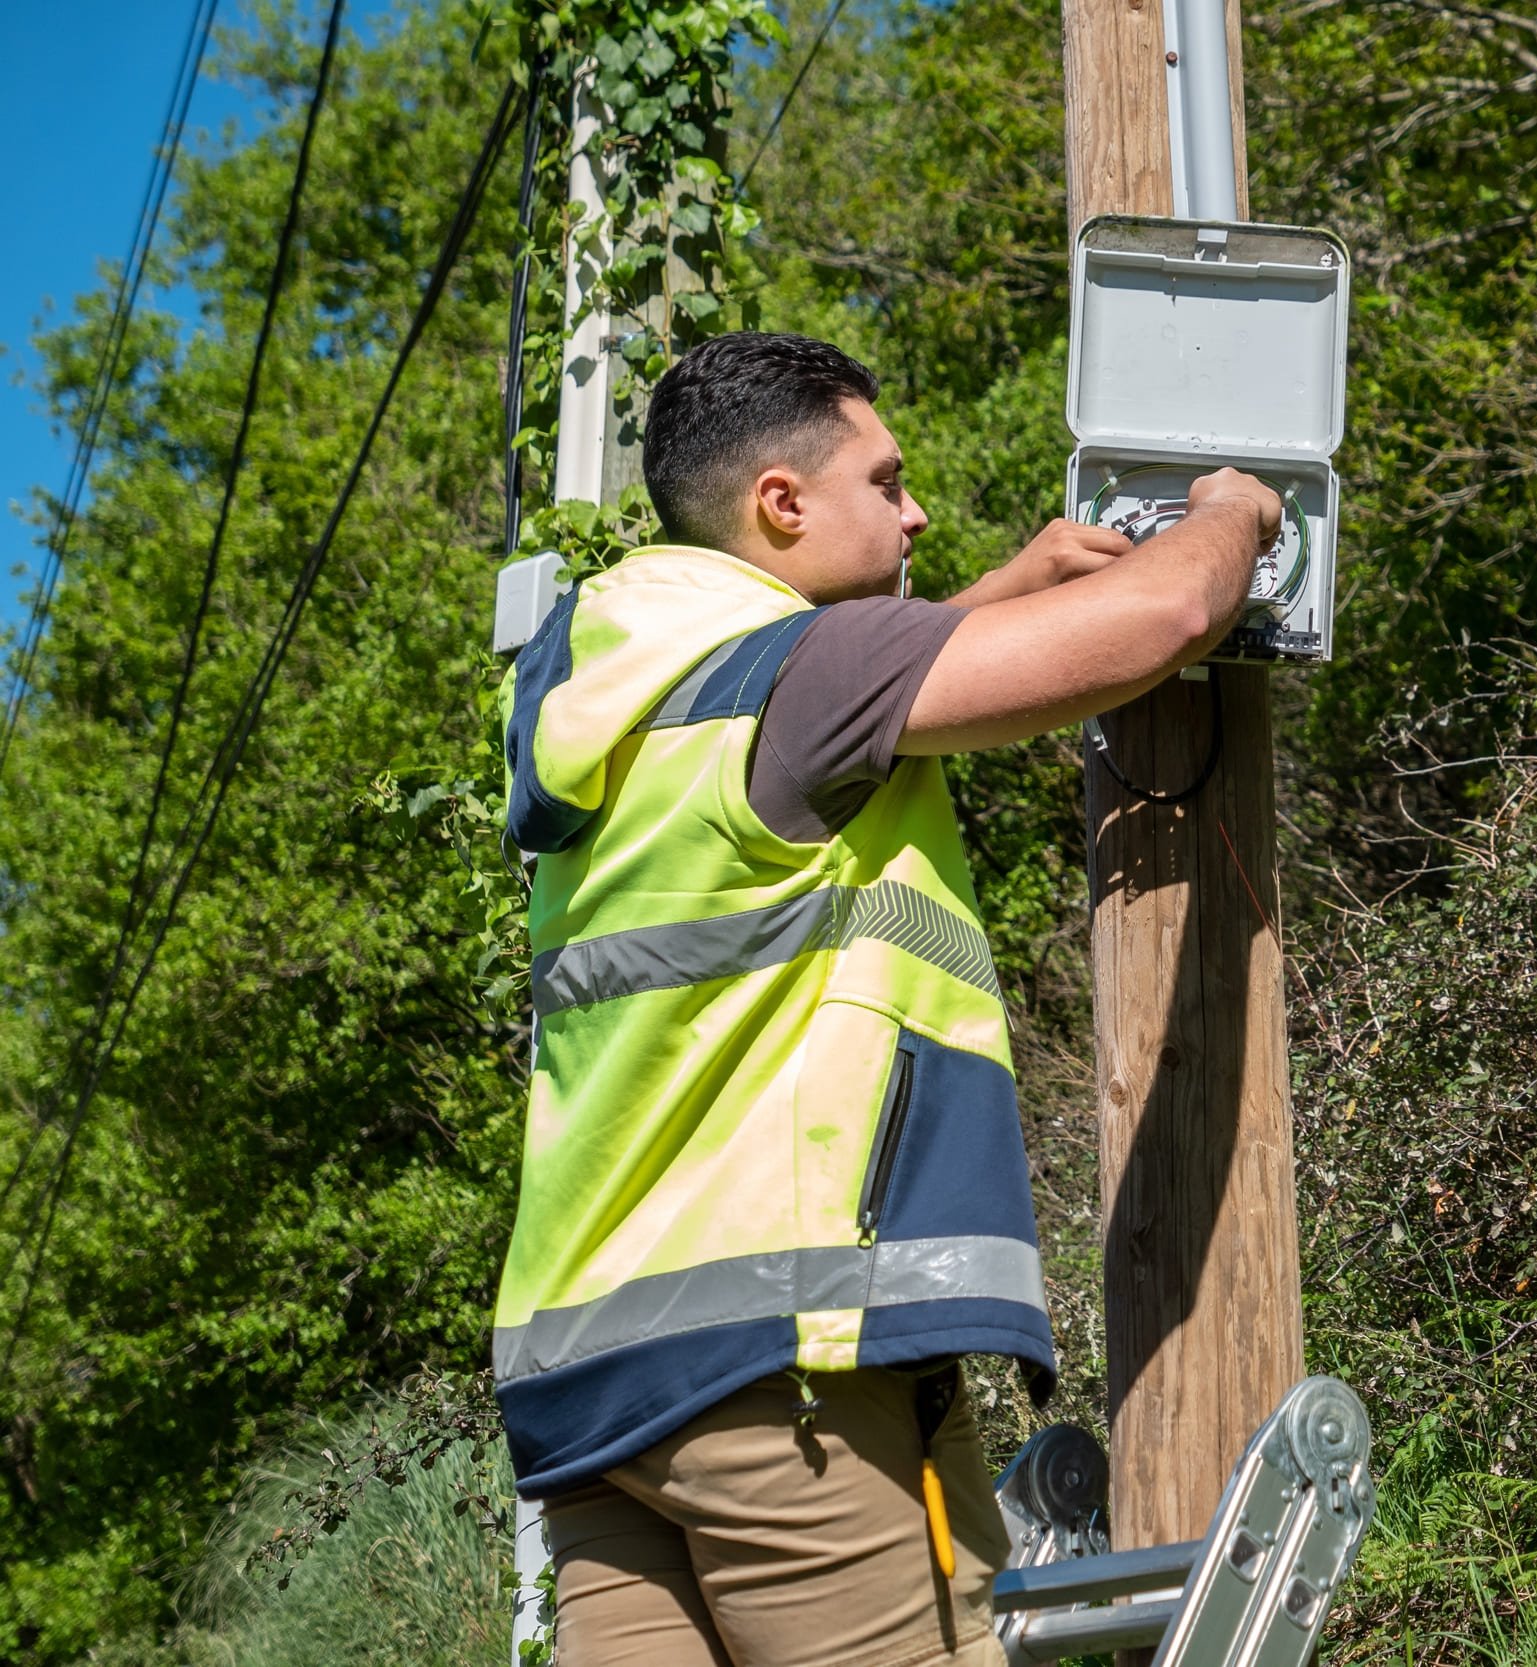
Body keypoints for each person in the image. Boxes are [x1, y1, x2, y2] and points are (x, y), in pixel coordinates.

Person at [494, 329, 1279, 1666]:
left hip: (591, 1390)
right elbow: (1167, 622)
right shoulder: (809, 673)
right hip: (790, 1369)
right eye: (887, 481)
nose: (915, 512)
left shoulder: (629, 699)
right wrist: (1231, 513)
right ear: (782, 506)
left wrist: (1005, 590)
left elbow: (833, 725)